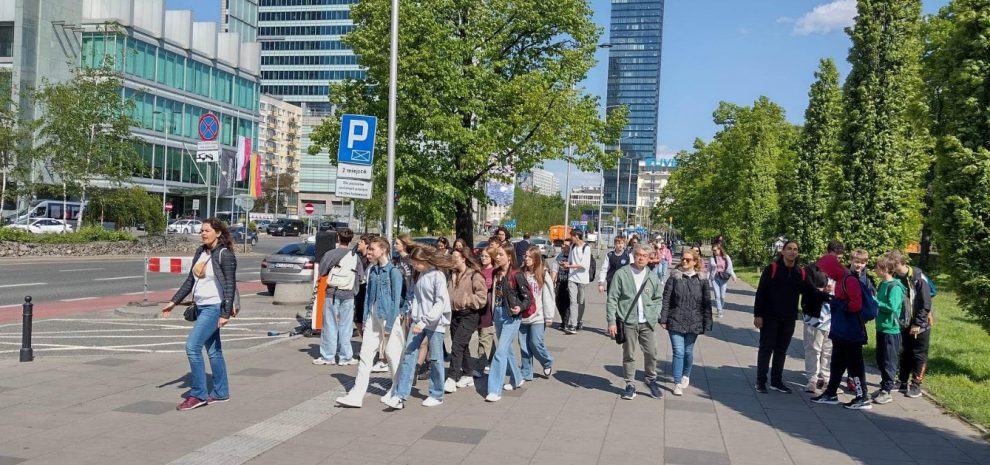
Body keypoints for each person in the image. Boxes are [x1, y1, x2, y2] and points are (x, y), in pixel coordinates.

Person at [161, 218, 237, 411]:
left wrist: (225, 313)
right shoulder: (200, 252)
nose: (203, 234)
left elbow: (230, 285)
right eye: (202, 230)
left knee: (192, 347)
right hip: (201, 306)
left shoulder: (224, 255)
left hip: (214, 307)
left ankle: (198, 394)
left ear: (218, 233)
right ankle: (221, 393)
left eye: (207, 231)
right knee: (213, 351)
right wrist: (173, 301)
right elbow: (190, 281)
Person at [335, 237, 407, 408]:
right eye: (368, 250)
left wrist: (389, 325)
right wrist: (366, 317)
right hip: (373, 318)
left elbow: (397, 301)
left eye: (372, 249)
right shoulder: (372, 270)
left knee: (392, 355)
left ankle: (396, 392)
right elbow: (368, 296)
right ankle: (356, 395)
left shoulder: (394, 272)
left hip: (389, 317)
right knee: (365, 356)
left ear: (383, 250)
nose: (368, 253)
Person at [385, 247, 455, 410]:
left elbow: (440, 302)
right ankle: (401, 395)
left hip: (435, 323)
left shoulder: (438, 276)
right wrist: (413, 316)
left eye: (416, 263)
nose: (414, 266)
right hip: (419, 321)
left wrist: (425, 321)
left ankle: (436, 394)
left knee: (436, 358)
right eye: (413, 263)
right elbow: (416, 298)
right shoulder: (421, 275)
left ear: (424, 260)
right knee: (409, 354)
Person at [753, 240, 823, 394]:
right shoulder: (772, 269)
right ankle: (761, 381)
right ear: (783, 252)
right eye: (789, 249)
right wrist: (758, 315)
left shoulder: (800, 272)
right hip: (770, 316)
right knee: (766, 349)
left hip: (789, 318)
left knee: (781, 350)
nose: (792, 252)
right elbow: (761, 293)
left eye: (795, 249)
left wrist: (826, 295)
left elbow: (810, 291)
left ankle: (776, 381)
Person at [606, 243, 664, 400]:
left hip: (647, 322)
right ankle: (630, 384)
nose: (642, 258)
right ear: (633, 255)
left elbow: (658, 298)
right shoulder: (622, 274)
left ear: (649, 258)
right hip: (628, 322)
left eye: (645, 256)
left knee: (652, 353)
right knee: (629, 355)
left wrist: (655, 313)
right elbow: (612, 299)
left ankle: (650, 380)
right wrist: (612, 321)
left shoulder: (652, 276)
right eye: (639, 255)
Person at [811, 253, 869, 409]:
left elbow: (856, 305)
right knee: (837, 363)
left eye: (825, 269)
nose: (824, 273)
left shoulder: (849, 280)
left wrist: (838, 305)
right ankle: (831, 393)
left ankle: (862, 396)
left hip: (851, 332)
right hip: (841, 331)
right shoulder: (841, 280)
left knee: (855, 365)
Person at [484, 244, 533, 402]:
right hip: (498, 314)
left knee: (500, 351)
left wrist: (520, 307)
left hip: (511, 316)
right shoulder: (496, 272)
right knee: (508, 350)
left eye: (500, 255)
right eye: (496, 254)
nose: (497, 257)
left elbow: (528, 297)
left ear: (509, 257)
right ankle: (517, 378)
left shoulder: (516, 274)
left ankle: (494, 390)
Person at [661, 248, 712, 396]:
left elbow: (706, 303)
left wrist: (707, 321)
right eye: (683, 259)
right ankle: (677, 383)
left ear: (695, 262)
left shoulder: (702, 280)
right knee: (678, 351)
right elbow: (666, 299)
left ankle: (686, 375)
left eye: (688, 260)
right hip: (675, 319)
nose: (684, 261)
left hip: (694, 320)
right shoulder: (674, 278)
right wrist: (663, 318)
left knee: (688, 352)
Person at [312, 228, 365, 366]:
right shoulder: (355, 256)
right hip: (348, 294)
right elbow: (360, 276)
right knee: (346, 326)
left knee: (329, 324)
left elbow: (322, 271)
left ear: (338, 238)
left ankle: (327, 356)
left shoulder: (330, 254)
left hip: (332, 293)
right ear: (351, 239)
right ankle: (345, 357)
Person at [890, 250, 934, 399]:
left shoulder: (917, 277)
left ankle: (916, 384)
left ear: (898, 263)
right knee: (906, 350)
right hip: (906, 320)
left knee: (919, 353)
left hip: (921, 322)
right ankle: (902, 381)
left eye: (891, 265)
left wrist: (918, 323)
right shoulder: (897, 277)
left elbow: (926, 302)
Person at [444, 247, 488, 393]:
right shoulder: (452, 274)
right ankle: (468, 373)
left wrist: (467, 300)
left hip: (469, 314)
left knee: (456, 345)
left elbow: (482, 297)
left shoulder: (474, 275)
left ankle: (452, 377)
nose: (452, 260)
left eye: (455, 257)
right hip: (455, 314)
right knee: (463, 346)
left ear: (464, 258)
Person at [871, 255, 905, 405]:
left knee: (889, 360)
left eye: (877, 267)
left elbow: (892, 307)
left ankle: (887, 390)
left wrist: (876, 302)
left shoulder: (894, 287)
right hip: (882, 327)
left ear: (885, 269)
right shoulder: (882, 284)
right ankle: (884, 386)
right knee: (880, 358)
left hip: (891, 329)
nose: (875, 270)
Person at [519, 247, 555, 381]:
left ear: (536, 258)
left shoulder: (543, 274)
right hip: (523, 315)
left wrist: (549, 316)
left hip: (538, 316)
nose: (526, 259)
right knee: (524, 346)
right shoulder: (521, 273)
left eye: (530, 257)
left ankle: (547, 361)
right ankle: (526, 372)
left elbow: (549, 296)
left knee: (535, 342)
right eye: (525, 256)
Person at [802, 268, 833, 394]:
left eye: (839, 257)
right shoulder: (812, 271)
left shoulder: (842, 272)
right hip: (814, 317)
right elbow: (807, 290)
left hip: (833, 318)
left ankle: (827, 379)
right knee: (813, 349)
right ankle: (812, 380)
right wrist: (822, 291)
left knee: (829, 351)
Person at [473, 247, 497, 378]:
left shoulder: (494, 272)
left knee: (484, 337)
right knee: (487, 337)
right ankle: (495, 360)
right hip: (478, 308)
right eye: (482, 256)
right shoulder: (478, 271)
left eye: (486, 256)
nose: (483, 258)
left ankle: (479, 366)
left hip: (489, 309)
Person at [562, 230, 591, 334]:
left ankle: (579, 321)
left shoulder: (586, 248)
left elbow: (584, 265)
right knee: (573, 301)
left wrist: (570, 266)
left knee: (581, 301)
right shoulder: (573, 247)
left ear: (577, 236)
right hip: (572, 278)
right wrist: (565, 264)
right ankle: (573, 324)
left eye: (572, 236)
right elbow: (570, 260)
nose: (571, 238)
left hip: (582, 279)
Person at [709, 245, 737, 318]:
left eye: (715, 250)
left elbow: (730, 268)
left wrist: (734, 276)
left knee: (722, 297)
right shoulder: (712, 258)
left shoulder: (726, 257)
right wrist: (706, 278)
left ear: (720, 249)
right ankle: (719, 311)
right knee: (717, 296)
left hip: (723, 278)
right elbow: (709, 269)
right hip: (715, 278)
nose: (714, 252)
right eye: (713, 250)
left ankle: (721, 307)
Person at [550, 238, 572, 331]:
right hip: (559, 282)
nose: (563, 246)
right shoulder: (559, 256)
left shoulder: (573, 256)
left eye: (566, 245)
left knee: (567, 303)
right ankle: (563, 320)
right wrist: (552, 281)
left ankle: (565, 323)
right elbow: (554, 269)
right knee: (559, 302)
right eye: (563, 244)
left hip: (570, 282)